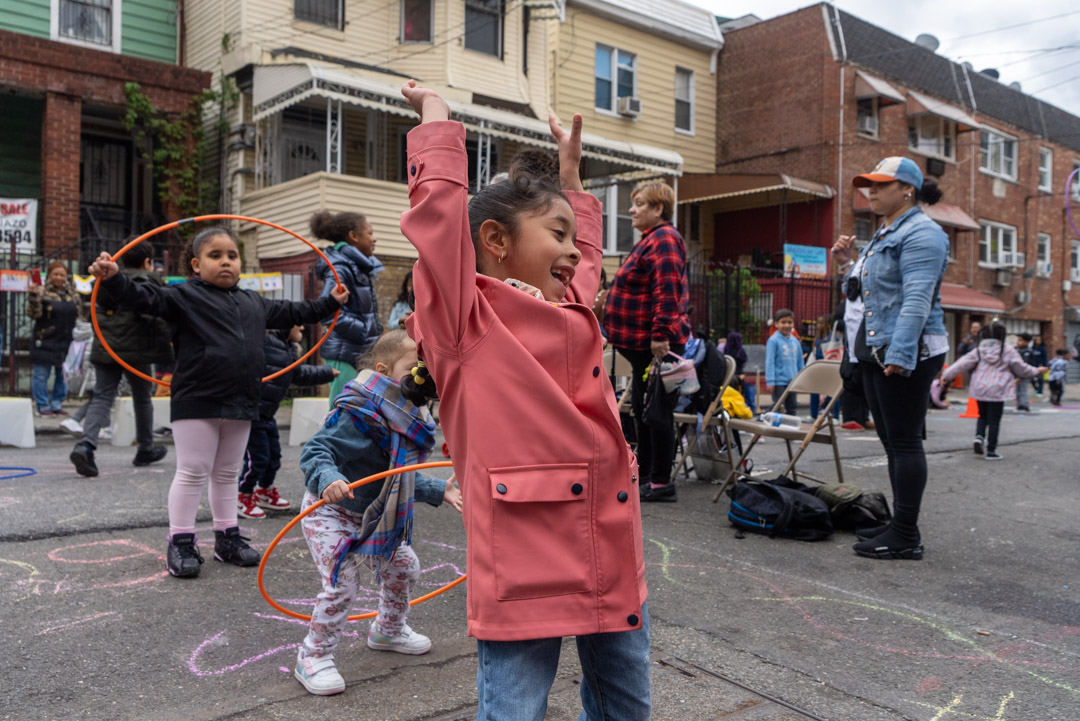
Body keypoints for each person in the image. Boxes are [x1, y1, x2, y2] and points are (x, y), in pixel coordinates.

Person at [399, 80, 651, 720]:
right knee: (514, 707)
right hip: (526, 561)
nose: (573, 250)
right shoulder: (465, 319)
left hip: (607, 540)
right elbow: (436, 222)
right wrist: (436, 121)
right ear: (495, 240)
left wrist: (571, 180)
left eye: (572, 236)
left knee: (627, 701)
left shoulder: (567, 310)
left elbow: (587, 262)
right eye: (555, 233)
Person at [88, 226, 348, 578]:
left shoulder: (253, 302)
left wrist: (331, 301)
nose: (226, 261)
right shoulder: (182, 296)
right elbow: (141, 297)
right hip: (197, 396)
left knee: (228, 472)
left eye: (232, 255)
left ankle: (227, 537)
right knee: (193, 470)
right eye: (215, 255)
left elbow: (294, 310)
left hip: (242, 397)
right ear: (196, 264)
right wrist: (115, 278)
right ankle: (180, 541)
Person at [293, 329, 462, 695]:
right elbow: (315, 451)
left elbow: (395, 480)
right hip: (331, 510)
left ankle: (388, 629)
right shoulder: (361, 412)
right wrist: (328, 477)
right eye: (413, 365)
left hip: (374, 512)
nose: (422, 372)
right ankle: (313, 656)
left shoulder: (409, 414)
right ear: (384, 371)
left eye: (426, 365)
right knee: (342, 583)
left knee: (404, 566)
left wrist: (437, 490)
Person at [833, 156, 949, 561]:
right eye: (870, 184)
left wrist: (900, 354)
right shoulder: (882, 234)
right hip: (874, 349)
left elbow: (916, 300)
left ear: (907, 190)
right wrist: (847, 263)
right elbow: (861, 294)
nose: (872, 191)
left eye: (882, 184)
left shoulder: (923, 233)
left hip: (906, 351)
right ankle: (900, 525)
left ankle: (905, 534)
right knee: (891, 442)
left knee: (904, 441)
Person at [603, 179, 690, 503]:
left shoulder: (664, 238)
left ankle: (661, 482)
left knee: (657, 412)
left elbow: (667, 292)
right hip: (643, 347)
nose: (631, 209)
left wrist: (660, 336)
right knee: (643, 410)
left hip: (658, 346)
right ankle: (650, 477)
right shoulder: (651, 239)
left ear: (658, 208)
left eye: (639, 204)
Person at [69, 242, 173, 477]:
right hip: (137, 349)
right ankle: (145, 448)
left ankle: (86, 445)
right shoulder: (150, 281)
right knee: (142, 397)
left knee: (103, 395)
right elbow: (158, 312)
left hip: (108, 346)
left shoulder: (105, 279)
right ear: (147, 261)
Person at [236, 325, 338, 519]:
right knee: (257, 459)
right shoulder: (267, 344)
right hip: (253, 414)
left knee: (274, 456)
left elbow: (297, 374)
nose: (302, 326)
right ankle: (244, 495)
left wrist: (325, 373)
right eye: (296, 322)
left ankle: (265, 491)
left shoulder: (286, 348)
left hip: (266, 414)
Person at [940, 323, 1046, 460]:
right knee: (994, 420)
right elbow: (1021, 368)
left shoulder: (978, 350)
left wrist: (946, 375)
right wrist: (1037, 371)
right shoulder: (1007, 350)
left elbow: (962, 364)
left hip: (980, 388)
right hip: (998, 389)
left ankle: (979, 437)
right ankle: (991, 450)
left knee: (982, 416)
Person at [311, 210, 384, 401]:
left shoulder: (358, 265)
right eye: (370, 232)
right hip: (343, 355)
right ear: (353, 236)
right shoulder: (341, 267)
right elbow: (327, 311)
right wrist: (363, 331)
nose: (374, 239)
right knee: (341, 414)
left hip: (357, 352)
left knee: (356, 413)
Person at [27, 261, 80, 416]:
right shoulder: (41, 291)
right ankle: (42, 406)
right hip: (44, 339)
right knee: (41, 374)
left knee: (63, 375)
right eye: (55, 274)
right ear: (49, 275)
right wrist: (33, 296)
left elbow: (80, 314)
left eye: (62, 275)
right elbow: (33, 314)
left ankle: (56, 403)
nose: (59, 277)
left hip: (66, 340)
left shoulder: (72, 294)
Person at [765, 308, 804, 416]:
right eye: (783, 322)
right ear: (776, 324)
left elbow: (800, 362)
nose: (786, 325)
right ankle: (765, 419)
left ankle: (790, 430)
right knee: (778, 406)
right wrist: (770, 381)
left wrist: (802, 379)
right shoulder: (773, 340)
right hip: (778, 381)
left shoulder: (795, 341)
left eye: (789, 322)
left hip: (792, 381)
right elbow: (770, 361)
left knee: (792, 407)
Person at [809, 313, 841, 420]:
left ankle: (835, 416)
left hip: (829, 368)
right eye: (817, 323)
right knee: (814, 391)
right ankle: (813, 415)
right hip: (819, 367)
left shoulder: (833, 337)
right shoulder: (818, 338)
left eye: (821, 323)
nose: (819, 325)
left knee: (832, 393)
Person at [1014, 332, 1035, 412]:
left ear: (1026, 342)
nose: (1018, 342)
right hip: (1017, 374)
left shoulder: (1027, 351)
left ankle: (1024, 405)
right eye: (1018, 340)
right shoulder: (1017, 349)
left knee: (1023, 389)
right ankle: (1019, 404)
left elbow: (1024, 364)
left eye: (1020, 340)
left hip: (1024, 374)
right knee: (1017, 390)